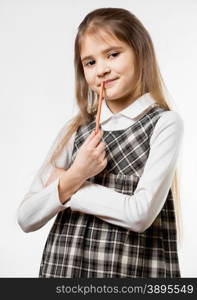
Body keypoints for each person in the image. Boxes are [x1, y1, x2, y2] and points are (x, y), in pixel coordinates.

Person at [17, 7, 184, 278]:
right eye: (90, 62)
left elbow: (139, 215)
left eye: (113, 55)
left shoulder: (164, 124)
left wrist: (70, 185)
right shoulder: (74, 130)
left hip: (129, 270)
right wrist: (78, 172)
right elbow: (26, 217)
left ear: (140, 54)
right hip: (65, 270)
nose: (102, 70)